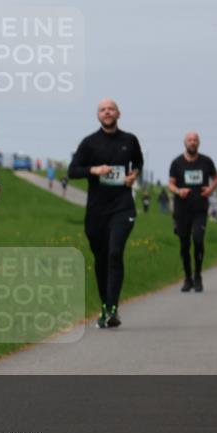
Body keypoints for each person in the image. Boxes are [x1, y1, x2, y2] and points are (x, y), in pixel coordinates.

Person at [69, 98, 144, 328]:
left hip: (122, 207)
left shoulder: (129, 140)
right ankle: (104, 306)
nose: (107, 112)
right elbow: (73, 170)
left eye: (111, 109)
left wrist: (134, 176)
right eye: (103, 109)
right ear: (98, 115)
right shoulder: (89, 143)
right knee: (101, 259)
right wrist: (94, 169)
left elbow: (138, 162)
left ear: (118, 113)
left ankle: (113, 309)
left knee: (114, 253)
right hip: (97, 211)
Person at [168, 131, 217, 292]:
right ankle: (187, 277)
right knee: (184, 245)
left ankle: (198, 276)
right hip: (182, 209)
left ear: (199, 143)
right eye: (190, 140)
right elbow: (170, 183)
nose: (193, 142)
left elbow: (216, 177)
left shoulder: (206, 161)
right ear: (185, 143)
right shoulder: (177, 163)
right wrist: (178, 191)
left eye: (195, 140)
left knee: (198, 240)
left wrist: (210, 189)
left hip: (200, 209)